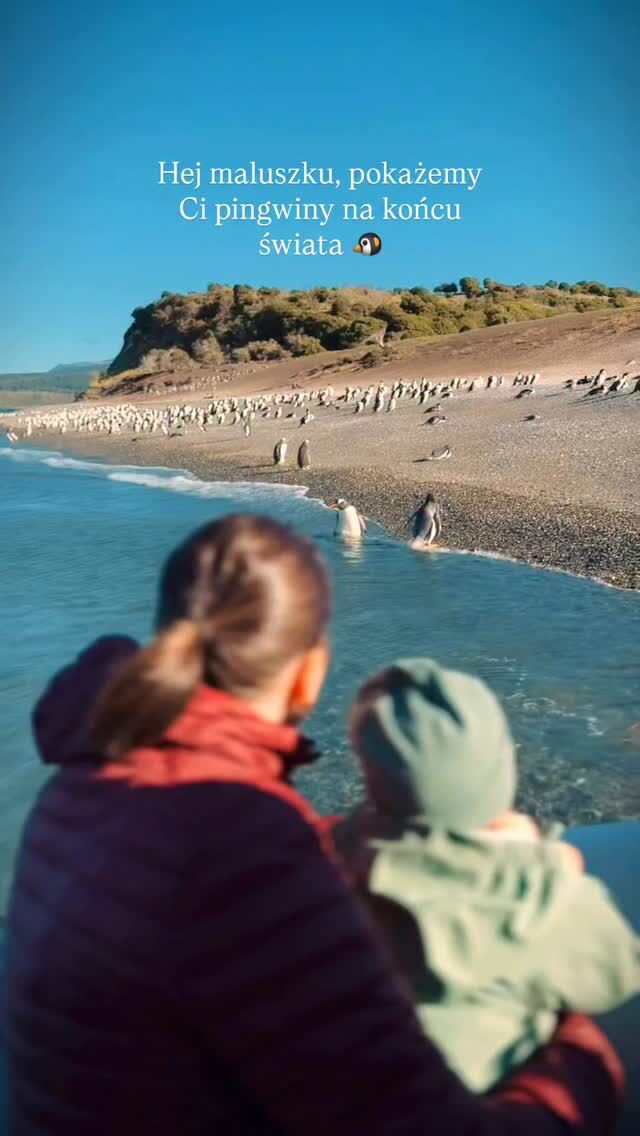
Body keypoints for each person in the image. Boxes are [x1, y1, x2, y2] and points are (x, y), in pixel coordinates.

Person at [6, 517, 623, 1136]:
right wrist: (578, 1049)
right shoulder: (243, 841)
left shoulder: (84, 776)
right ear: (310, 673)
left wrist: (345, 845)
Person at [333, 657, 639, 1092]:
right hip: (495, 1100)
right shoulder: (536, 890)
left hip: (370, 1095)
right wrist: (546, 859)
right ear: (499, 769)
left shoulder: (339, 858)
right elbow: (615, 976)